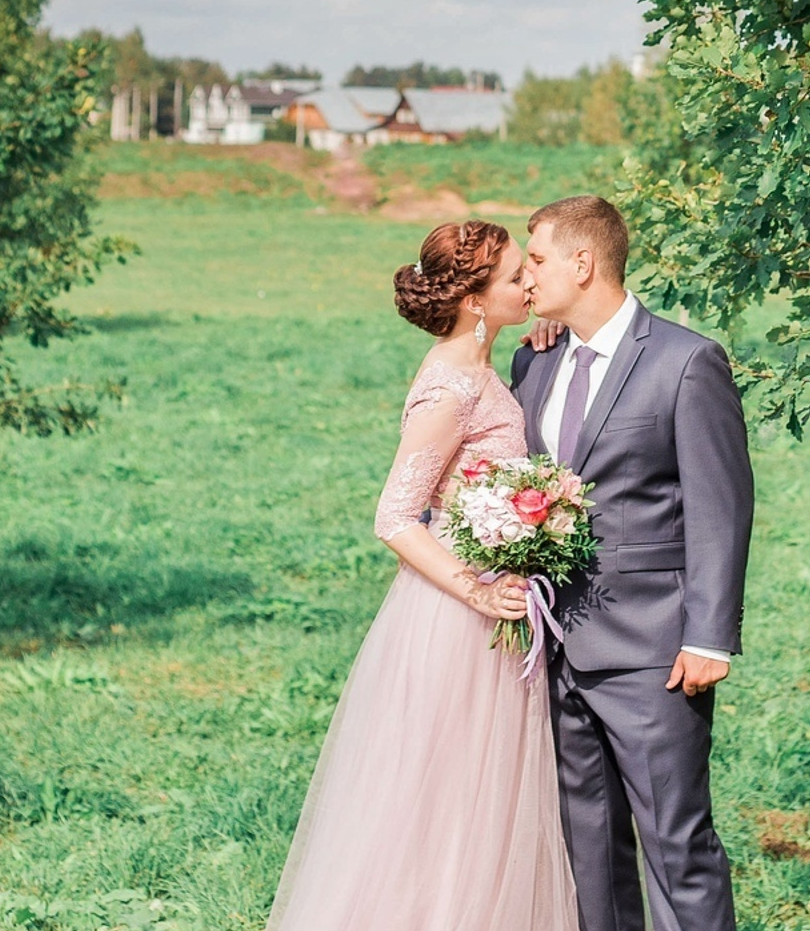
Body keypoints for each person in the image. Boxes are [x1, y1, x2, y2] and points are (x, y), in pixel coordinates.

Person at [265, 219, 579, 931]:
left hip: (493, 610)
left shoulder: (481, 368)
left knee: (485, 802)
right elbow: (396, 516)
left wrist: (536, 340)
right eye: (511, 279)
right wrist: (476, 589)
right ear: (474, 300)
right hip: (455, 618)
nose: (528, 283)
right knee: (443, 804)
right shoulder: (447, 388)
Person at [512, 195, 755, 931]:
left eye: (537, 259)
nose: (526, 277)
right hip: (554, 649)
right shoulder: (535, 358)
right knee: (589, 853)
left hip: (654, 652)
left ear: (583, 263)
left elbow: (722, 504)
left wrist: (709, 637)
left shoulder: (686, 361)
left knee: (676, 847)